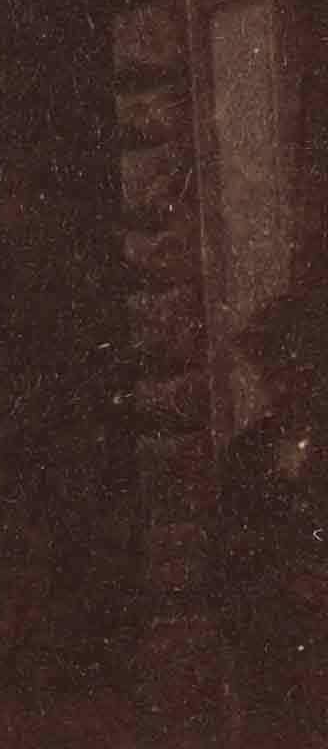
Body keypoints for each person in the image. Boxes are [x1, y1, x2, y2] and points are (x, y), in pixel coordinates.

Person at [215, 277, 328, 746]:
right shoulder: (245, 455)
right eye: (270, 370)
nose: (280, 385)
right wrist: (278, 576)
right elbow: (225, 555)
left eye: (294, 368)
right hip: (272, 639)